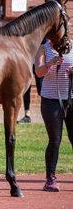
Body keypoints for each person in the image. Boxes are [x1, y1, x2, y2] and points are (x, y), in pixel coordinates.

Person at [34, 39, 73, 192]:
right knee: (55, 140)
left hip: (70, 99)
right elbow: (38, 72)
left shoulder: (72, 46)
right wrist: (50, 64)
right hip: (51, 101)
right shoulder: (43, 49)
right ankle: (50, 178)